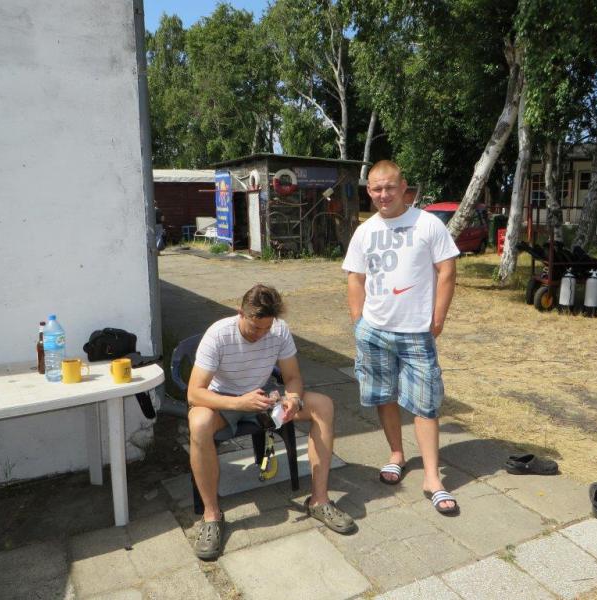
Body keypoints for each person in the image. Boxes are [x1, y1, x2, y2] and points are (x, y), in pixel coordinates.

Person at [187, 284, 356, 560]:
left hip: (263, 397)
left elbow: (292, 378)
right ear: (240, 312)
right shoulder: (218, 334)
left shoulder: (278, 330)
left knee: (323, 405)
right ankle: (212, 516)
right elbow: (194, 393)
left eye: (267, 328)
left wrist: (293, 399)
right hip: (223, 401)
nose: (261, 335)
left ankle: (319, 500)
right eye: (255, 327)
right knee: (199, 423)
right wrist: (238, 403)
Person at [342, 160, 460, 515]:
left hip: (415, 332)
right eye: (376, 189)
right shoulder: (364, 231)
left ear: (403, 186)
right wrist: (358, 321)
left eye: (389, 187)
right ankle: (396, 454)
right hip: (374, 331)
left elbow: (447, 271)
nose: (383, 194)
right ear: (369, 191)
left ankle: (432, 478)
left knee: (426, 403)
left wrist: (437, 318)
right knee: (384, 395)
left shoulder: (427, 223)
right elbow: (355, 277)